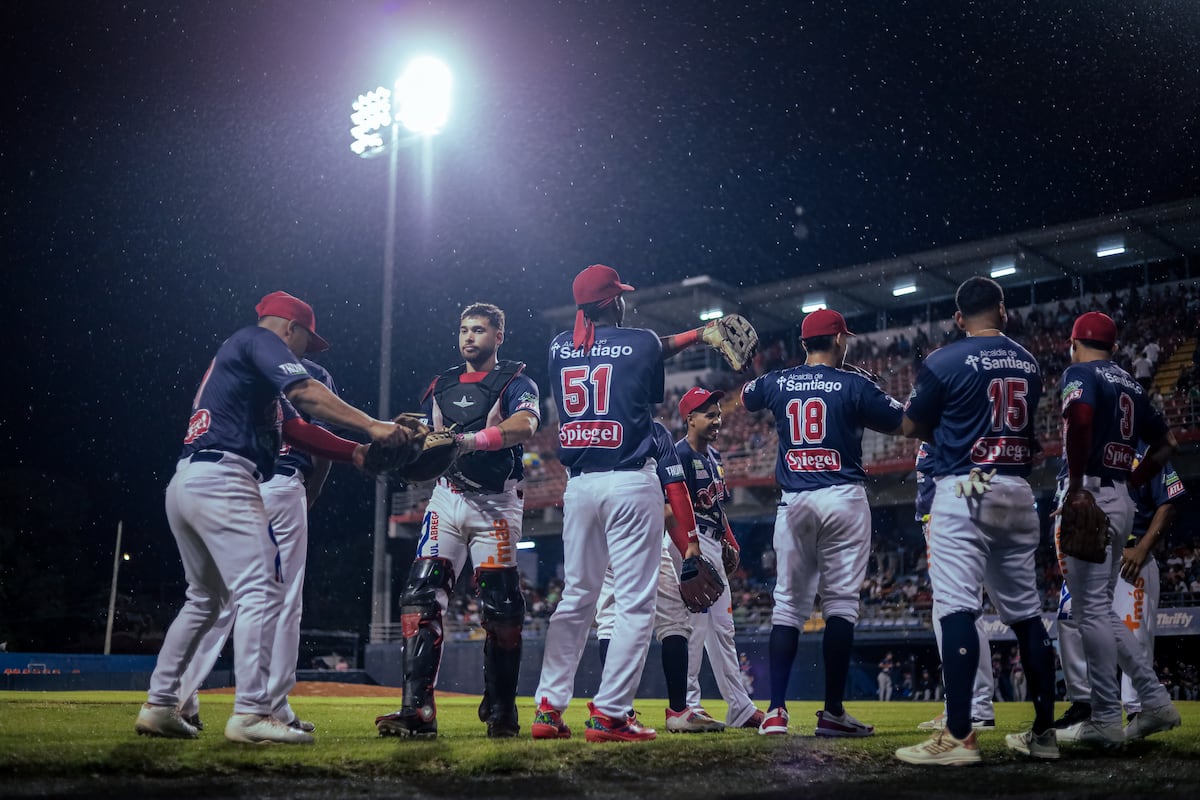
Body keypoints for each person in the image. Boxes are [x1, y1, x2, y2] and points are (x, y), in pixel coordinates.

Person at [135, 291, 408, 744]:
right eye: (305, 341)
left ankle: (161, 703)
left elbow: (295, 428)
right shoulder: (257, 340)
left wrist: (355, 453)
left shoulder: (243, 361)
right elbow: (305, 394)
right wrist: (373, 426)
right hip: (226, 479)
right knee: (262, 590)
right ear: (290, 329)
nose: (304, 352)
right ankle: (251, 712)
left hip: (190, 480)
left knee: (204, 600)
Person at [531, 264, 707, 744]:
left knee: (576, 598)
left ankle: (548, 708)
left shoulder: (556, 348)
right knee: (633, 603)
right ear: (612, 301)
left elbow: (607, 350)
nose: (625, 300)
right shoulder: (642, 340)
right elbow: (649, 362)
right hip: (629, 481)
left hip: (579, 485)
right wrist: (702, 333)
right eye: (620, 295)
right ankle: (610, 714)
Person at [893, 277, 1058, 766]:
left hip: (964, 486)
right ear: (1002, 310)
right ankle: (1044, 731)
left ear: (959, 318)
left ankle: (960, 734)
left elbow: (909, 425)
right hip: (1015, 486)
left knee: (957, 608)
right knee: (1027, 613)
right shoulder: (1028, 361)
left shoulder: (943, 359)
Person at [374, 302, 541, 739]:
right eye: (464, 329)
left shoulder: (517, 382)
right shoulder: (440, 384)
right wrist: (404, 435)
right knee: (419, 596)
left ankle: (502, 709)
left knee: (502, 608)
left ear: (498, 337)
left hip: (497, 505)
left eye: (480, 330)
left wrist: (469, 440)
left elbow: (525, 425)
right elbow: (427, 437)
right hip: (446, 499)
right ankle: (417, 711)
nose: (469, 337)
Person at [741, 308, 904, 738]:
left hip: (794, 500)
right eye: (843, 337)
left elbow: (748, 397)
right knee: (840, 607)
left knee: (788, 607)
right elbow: (902, 421)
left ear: (804, 344)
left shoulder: (779, 381)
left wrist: (755, 371)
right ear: (837, 340)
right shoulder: (854, 383)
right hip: (842, 497)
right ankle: (832, 712)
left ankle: (775, 711)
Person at [174, 356, 342, 734]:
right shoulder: (313, 372)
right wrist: (310, 489)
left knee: (215, 598)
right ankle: (270, 707)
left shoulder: (230, 364)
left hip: (225, 479)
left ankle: (176, 698)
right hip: (281, 480)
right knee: (281, 600)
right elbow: (321, 440)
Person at [1051, 311, 1180, 746]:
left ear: (1074, 341)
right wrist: (1136, 481)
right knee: (1101, 608)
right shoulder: (1130, 383)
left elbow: (1081, 418)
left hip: (1091, 491)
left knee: (1089, 611)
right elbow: (1168, 445)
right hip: (1120, 494)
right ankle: (1156, 701)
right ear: (1115, 346)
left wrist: (1074, 486)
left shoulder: (1079, 372)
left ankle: (1105, 718)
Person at [595, 421, 726, 733]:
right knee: (673, 621)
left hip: (600, 530)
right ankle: (678, 710)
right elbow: (668, 510)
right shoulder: (653, 431)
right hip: (643, 534)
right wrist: (689, 548)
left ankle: (615, 710)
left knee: (611, 618)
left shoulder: (595, 428)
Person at [1052, 447, 1185, 731]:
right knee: (1068, 620)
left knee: (1132, 635)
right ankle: (1083, 704)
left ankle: (1141, 710)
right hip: (1088, 554)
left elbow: (1169, 500)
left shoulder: (1143, 449)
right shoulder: (1079, 449)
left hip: (1131, 559)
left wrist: (1143, 547)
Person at [676, 387, 765, 730]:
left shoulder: (716, 457)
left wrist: (732, 542)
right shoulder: (679, 454)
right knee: (694, 629)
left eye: (718, 413)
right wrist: (686, 547)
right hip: (689, 543)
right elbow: (670, 505)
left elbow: (718, 507)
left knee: (724, 630)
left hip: (713, 540)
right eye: (708, 414)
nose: (717, 419)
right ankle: (689, 705)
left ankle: (740, 707)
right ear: (690, 419)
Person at [912, 442, 997, 732]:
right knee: (949, 613)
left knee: (962, 612)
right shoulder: (938, 427)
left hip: (952, 518)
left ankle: (978, 707)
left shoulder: (951, 417)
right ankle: (962, 705)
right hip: (939, 519)